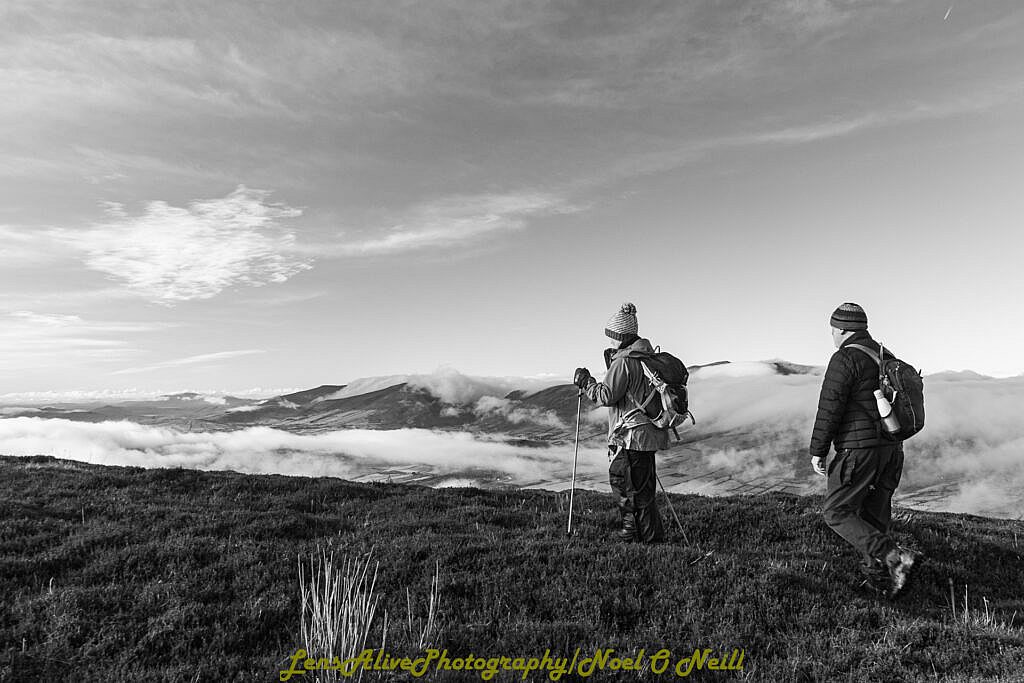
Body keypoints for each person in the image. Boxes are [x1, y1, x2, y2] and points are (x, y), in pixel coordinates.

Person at [810, 303, 919, 597]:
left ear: (843, 329)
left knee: (836, 511)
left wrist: (818, 449)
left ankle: (894, 556)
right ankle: (880, 583)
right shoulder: (886, 356)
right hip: (892, 450)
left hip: (858, 452)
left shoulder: (844, 358)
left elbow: (830, 408)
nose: (831, 334)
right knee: (874, 514)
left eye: (833, 329)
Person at [574, 302, 667, 543]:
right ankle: (651, 538)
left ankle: (631, 535)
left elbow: (606, 395)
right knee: (643, 491)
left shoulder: (624, 361)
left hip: (629, 436)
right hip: (648, 434)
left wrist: (587, 383)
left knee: (625, 487)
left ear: (621, 336)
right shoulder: (646, 356)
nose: (610, 342)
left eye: (612, 337)